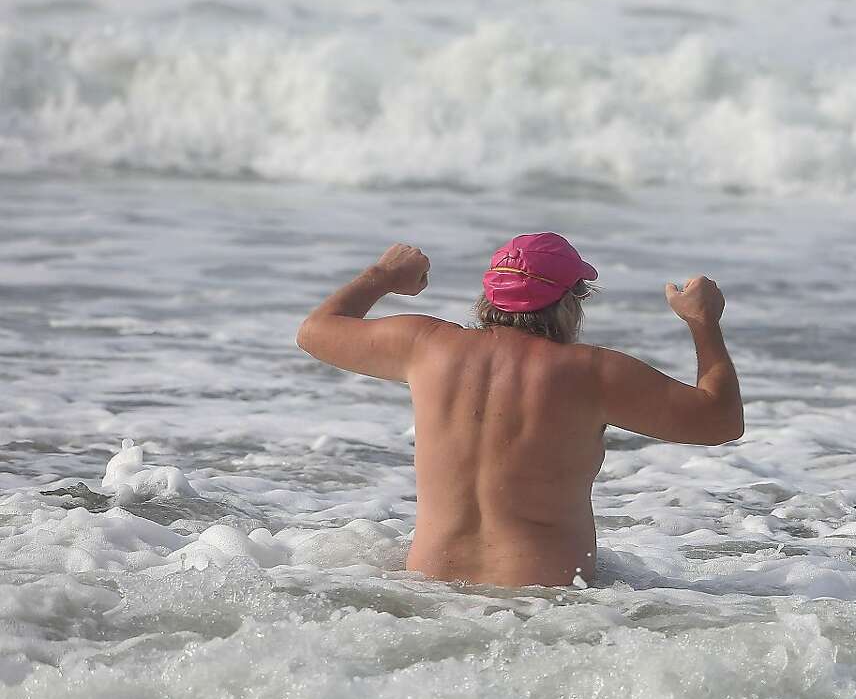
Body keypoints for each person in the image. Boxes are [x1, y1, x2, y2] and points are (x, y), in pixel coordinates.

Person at [296, 233, 743, 588]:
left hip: (426, 586)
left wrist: (381, 276)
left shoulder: (426, 347)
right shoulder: (591, 373)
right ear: (572, 301)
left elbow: (315, 332)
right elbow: (719, 421)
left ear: (490, 295)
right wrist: (704, 324)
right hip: (544, 602)